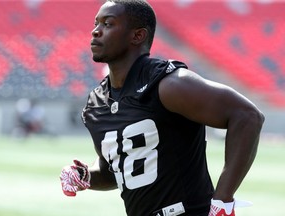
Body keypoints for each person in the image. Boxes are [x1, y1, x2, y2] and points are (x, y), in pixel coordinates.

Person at [60, 1, 265, 216]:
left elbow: (248, 116)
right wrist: (86, 176)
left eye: (108, 24)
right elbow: (117, 169)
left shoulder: (167, 84)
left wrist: (223, 201)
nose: (95, 31)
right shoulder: (97, 104)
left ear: (137, 36)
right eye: (96, 23)